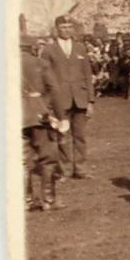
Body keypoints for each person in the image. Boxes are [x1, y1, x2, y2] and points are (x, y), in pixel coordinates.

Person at [40, 15, 95, 179]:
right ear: (57, 29)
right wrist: (48, 102)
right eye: (63, 27)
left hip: (80, 98)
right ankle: (63, 170)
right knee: (62, 136)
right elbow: (44, 77)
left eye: (70, 27)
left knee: (80, 136)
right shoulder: (49, 50)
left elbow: (87, 74)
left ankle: (80, 169)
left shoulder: (80, 48)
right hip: (59, 101)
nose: (67, 30)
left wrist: (90, 101)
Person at [22, 35, 69, 211]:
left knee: (20, 161)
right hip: (39, 115)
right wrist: (61, 116)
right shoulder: (40, 63)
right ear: (31, 47)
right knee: (48, 158)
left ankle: (25, 201)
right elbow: (54, 90)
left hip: (14, 117)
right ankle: (48, 200)